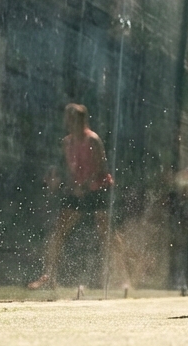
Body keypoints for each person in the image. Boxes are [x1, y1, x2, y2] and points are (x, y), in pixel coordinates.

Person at [28, 103, 129, 290]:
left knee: (107, 234)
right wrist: (65, 183)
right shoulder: (66, 142)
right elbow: (69, 168)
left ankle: (123, 278)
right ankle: (49, 276)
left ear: (82, 120)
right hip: (78, 190)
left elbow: (101, 167)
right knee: (58, 231)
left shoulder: (93, 140)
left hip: (99, 189)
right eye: (68, 117)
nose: (69, 121)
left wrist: (83, 185)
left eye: (73, 117)